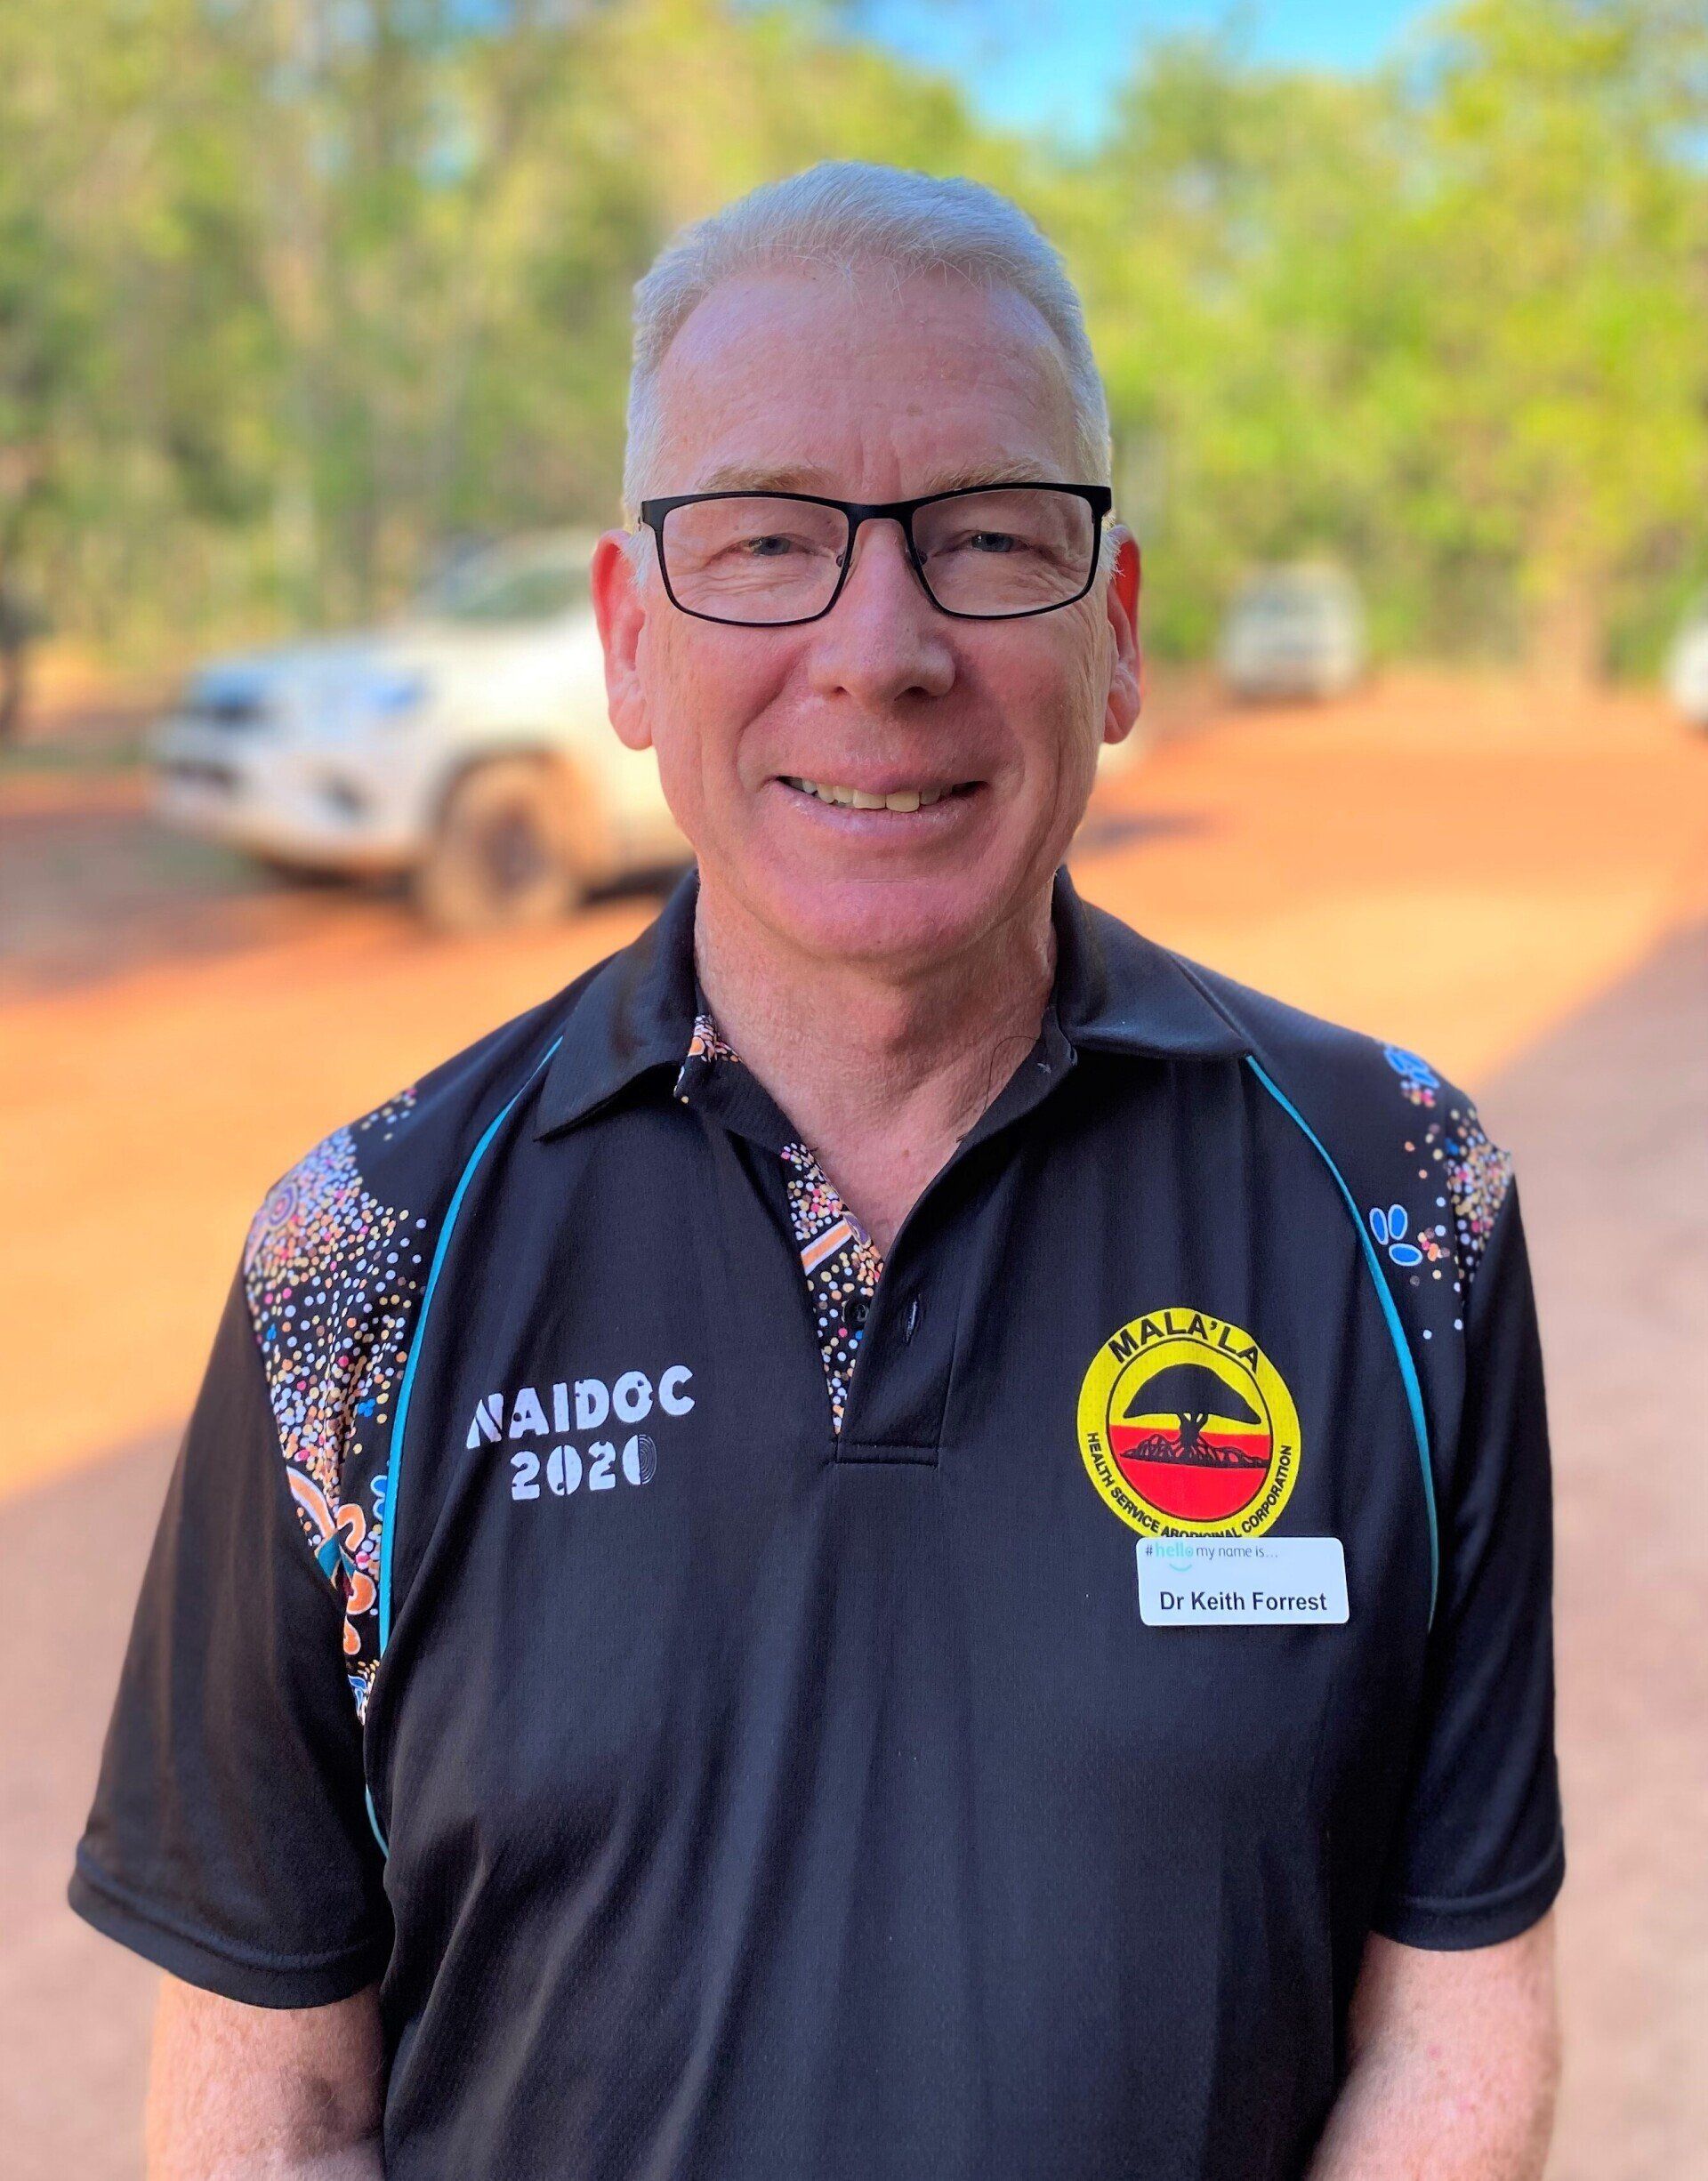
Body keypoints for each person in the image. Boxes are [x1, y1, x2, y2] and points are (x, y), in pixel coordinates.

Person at [70, 162, 1564, 2180]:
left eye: (987, 540)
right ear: (627, 640)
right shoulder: (359, 1259)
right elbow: (271, 2090)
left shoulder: (1408, 1210)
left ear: (1113, 636)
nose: (882, 647)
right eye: (768, 540)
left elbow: (1455, 2005)